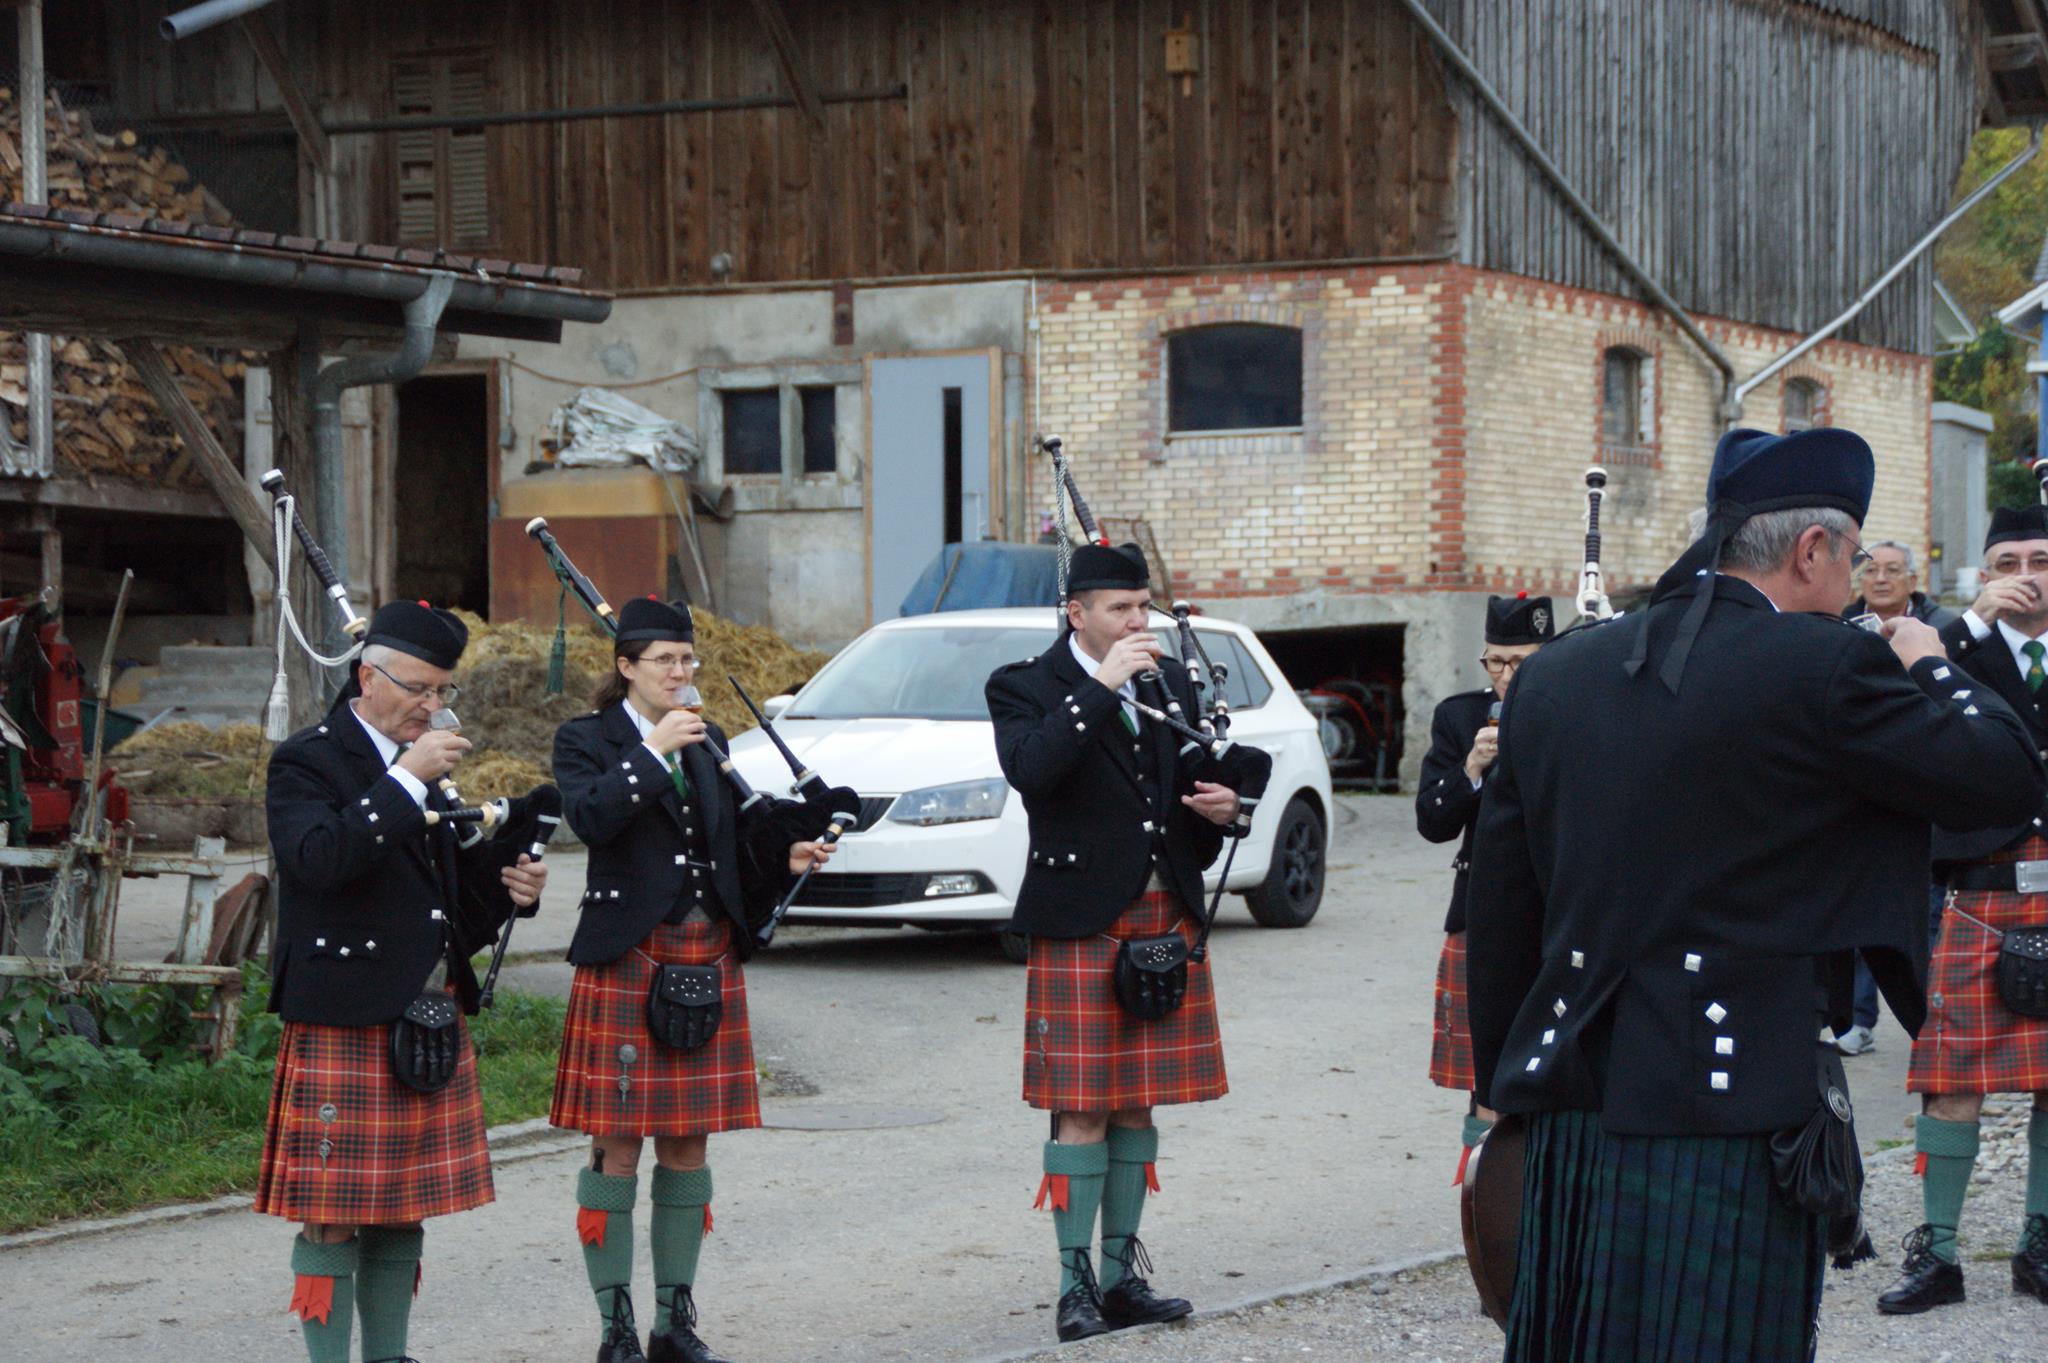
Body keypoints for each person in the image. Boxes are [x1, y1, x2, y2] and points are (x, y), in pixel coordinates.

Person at [1466, 427, 2044, 1362]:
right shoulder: (1826, 665)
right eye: (1851, 557)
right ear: (1812, 549)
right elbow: (2006, 775)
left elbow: (1502, 903)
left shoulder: (1557, 674)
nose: (1853, 583)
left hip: (1569, 1089)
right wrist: (1931, 657)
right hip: (1734, 1105)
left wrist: (1504, 1086)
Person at [551, 596, 849, 1363]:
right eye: (664, 660)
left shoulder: (707, 736)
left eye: (687, 659)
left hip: (704, 953)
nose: (680, 672)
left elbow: (725, 841)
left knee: (688, 1147)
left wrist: (783, 856)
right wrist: (652, 752)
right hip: (629, 955)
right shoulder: (587, 739)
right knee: (616, 1151)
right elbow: (590, 819)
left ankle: (672, 1323)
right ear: (626, 666)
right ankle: (616, 1329)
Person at [986, 542, 1270, 1344]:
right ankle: (1074, 1286)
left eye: (1144, 606)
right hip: (1081, 918)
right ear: (1077, 613)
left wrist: (1226, 809)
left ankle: (1121, 1277)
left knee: (1138, 1103)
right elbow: (1033, 770)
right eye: (1121, 609)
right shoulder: (1023, 685)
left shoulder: (1168, 680)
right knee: (1081, 1109)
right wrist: (1100, 685)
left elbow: (1182, 793)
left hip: (1161, 914)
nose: (1139, 621)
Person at [258, 600, 549, 1363]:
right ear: (368, 677)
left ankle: (387, 1356)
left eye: (442, 690)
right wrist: (405, 780)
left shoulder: (430, 773)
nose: (432, 705)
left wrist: (511, 887)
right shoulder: (307, 761)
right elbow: (318, 860)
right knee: (330, 1215)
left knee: (401, 1208)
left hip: (424, 1015)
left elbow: (449, 913)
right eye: (419, 688)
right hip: (344, 1014)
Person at [1882, 505, 2048, 1315]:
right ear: (1984, 576)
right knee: (1951, 1080)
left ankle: (2040, 1243)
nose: (2026, 576)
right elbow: (1894, 686)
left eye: (2041, 560)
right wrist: (1969, 620)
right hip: (1983, 891)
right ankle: (1939, 1252)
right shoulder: (1951, 649)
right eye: (2007, 563)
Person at [1415, 592, 1554, 1165]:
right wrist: (1471, 767)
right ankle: (1482, 1198)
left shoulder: (1571, 707)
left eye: (1519, 662)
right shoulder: (1459, 717)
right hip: (1482, 909)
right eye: (1494, 661)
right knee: (1485, 1072)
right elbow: (1432, 822)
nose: (1504, 675)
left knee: (1549, 1067)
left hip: (1555, 909)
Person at [1836, 540, 1960, 1056]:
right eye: (1872, 570)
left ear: (1912, 579)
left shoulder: (1941, 629)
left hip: (1920, 789)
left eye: (1893, 570)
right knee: (1859, 909)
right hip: (1860, 790)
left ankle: (1931, 1021)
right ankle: (1859, 1019)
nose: (1881, 578)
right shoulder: (1838, 627)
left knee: (1922, 915)